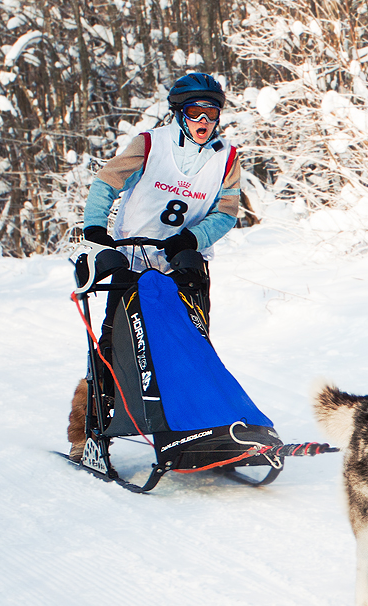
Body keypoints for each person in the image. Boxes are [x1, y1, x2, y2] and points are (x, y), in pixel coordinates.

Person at [67, 72, 243, 461]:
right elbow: (106, 182)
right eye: (196, 112)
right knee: (115, 345)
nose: (203, 121)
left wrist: (192, 239)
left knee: (190, 345)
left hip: (183, 262)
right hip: (133, 258)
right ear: (180, 113)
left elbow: (227, 212)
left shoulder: (226, 157)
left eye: (211, 113)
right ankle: (87, 430)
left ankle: (197, 431)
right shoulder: (150, 144)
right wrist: (96, 230)